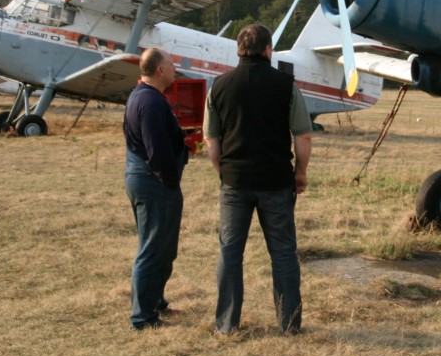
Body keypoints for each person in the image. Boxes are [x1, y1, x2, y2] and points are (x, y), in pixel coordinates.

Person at [204, 24, 313, 336]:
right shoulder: (286, 84)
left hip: (235, 182)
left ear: (239, 49)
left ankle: (226, 324)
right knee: (282, 253)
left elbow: (211, 139)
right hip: (276, 181)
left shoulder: (219, 85)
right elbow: (303, 135)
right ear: (268, 50)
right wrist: (300, 172)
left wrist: (223, 172)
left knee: (230, 252)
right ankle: (289, 324)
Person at [122, 47, 188, 330]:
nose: (175, 68)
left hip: (147, 179)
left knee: (160, 246)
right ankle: (142, 317)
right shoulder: (149, 102)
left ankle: (153, 301)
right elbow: (157, 151)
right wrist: (171, 181)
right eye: (171, 64)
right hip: (153, 182)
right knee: (152, 248)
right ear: (160, 70)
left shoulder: (143, 96)